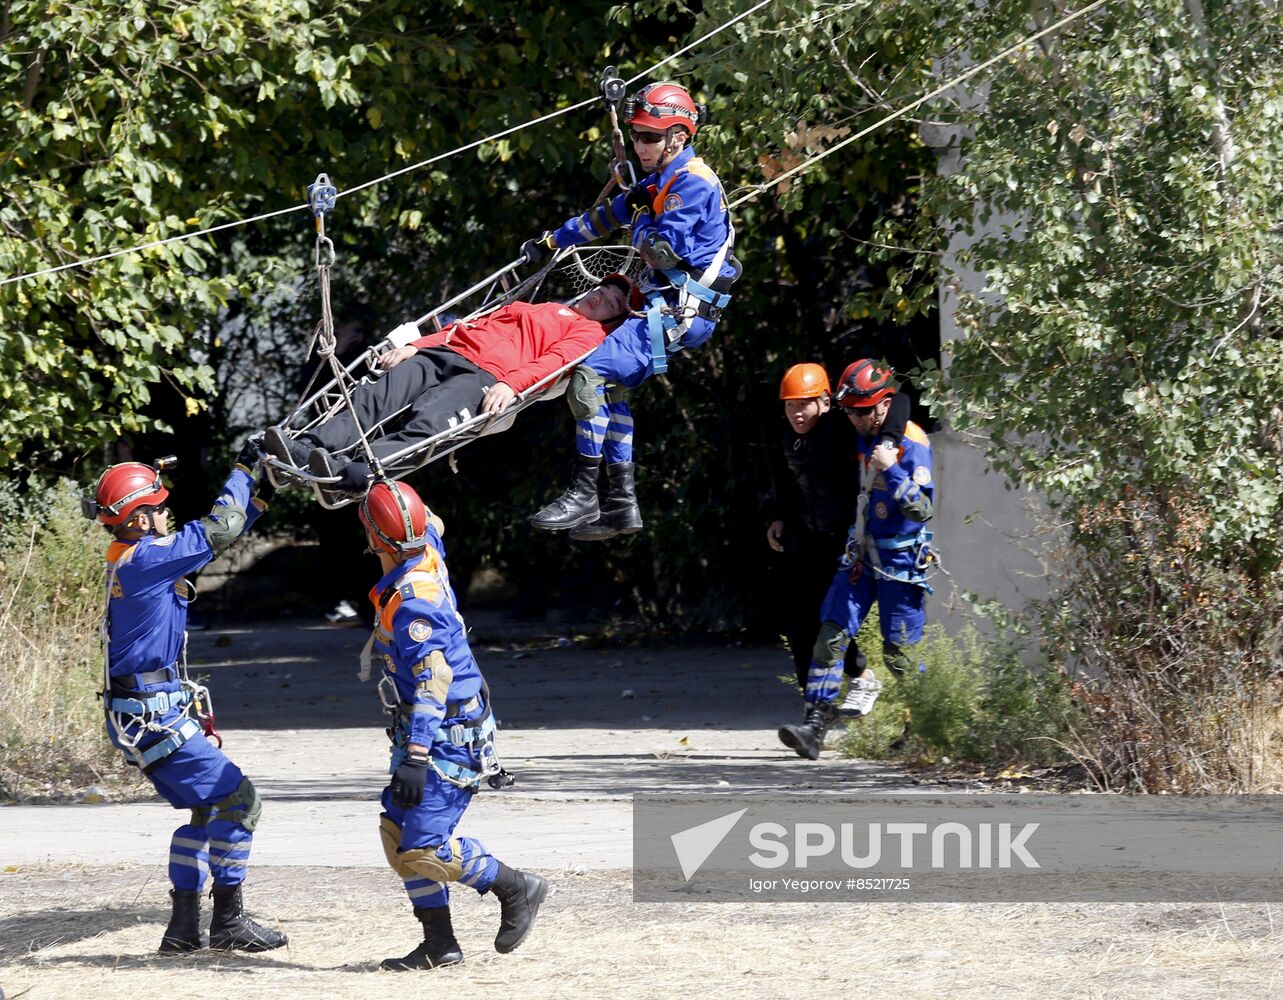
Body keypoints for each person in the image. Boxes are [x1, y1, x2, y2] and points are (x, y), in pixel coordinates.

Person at [87, 451, 287, 953]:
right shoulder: (150, 558)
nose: (166, 512)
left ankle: (182, 931)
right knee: (241, 803)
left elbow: (216, 537)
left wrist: (263, 495)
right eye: (158, 505)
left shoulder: (135, 559)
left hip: (146, 712)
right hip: (153, 716)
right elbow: (217, 530)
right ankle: (228, 924)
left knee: (206, 811)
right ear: (139, 519)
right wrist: (243, 472)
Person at [524, 81, 739, 541]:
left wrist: (638, 212)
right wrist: (550, 242)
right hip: (664, 307)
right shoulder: (659, 180)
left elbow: (661, 250)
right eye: (637, 134)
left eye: (650, 137)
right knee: (613, 390)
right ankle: (622, 504)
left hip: (679, 311)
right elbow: (605, 216)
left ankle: (584, 493)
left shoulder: (692, 184)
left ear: (679, 137)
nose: (641, 145)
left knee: (587, 375)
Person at [359, 479, 548, 970]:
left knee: (423, 847)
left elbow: (434, 679)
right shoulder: (427, 546)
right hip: (422, 729)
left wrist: (417, 757)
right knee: (398, 834)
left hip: (445, 737)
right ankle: (439, 944)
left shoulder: (414, 601)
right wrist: (376, 485)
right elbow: (430, 520)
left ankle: (515, 886)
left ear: (374, 540)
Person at [263, 277, 639, 493]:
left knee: (431, 423)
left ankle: (362, 468)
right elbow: (465, 327)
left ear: (614, 318)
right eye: (600, 292)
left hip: (488, 377)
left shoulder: (589, 334)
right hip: (448, 353)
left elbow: (553, 364)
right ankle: (310, 447)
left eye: (609, 303)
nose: (597, 300)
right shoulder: (533, 307)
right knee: (374, 396)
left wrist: (511, 384)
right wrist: (415, 345)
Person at [778, 360, 935, 760]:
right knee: (830, 637)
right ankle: (815, 728)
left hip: (900, 563)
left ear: (881, 407)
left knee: (900, 653)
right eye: (849, 411)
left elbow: (922, 509)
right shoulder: (855, 433)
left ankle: (924, 728)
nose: (854, 418)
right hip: (858, 558)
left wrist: (893, 471)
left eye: (862, 411)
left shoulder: (910, 441)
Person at [765, 363, 910, 690]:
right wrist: (778, 516)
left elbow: (899, 402)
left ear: (825, 403)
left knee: (828, 616)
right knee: (795, 618)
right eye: (790, 405)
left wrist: (887, 442)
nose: (797, 413)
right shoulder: (787, 435)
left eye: (804, 404)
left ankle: (860, 675)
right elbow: (787, 482)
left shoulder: (842, 426)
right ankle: (813, 701)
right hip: (808, 536)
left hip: (847, 540)